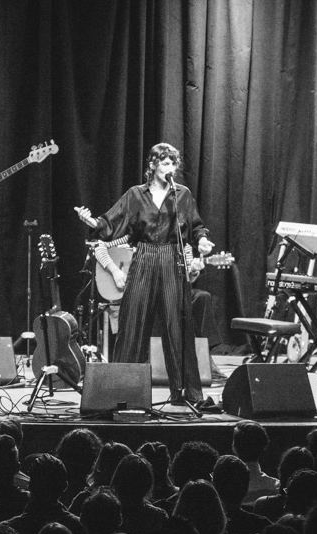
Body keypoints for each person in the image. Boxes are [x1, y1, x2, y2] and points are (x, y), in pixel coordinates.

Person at [76, 143, 214, 404]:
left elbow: (197, 227)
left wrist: (203, 241)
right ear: (152, 166)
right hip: (144, 257)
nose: (169, 168)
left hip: (172, 259)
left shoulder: (181, 194)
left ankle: (185, 394)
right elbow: (110, 224)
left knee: (178, 327)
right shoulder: (135, 195)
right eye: (164, 163)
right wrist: (92, 222)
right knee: (133, 325)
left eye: (172, 164)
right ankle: (121, 393)